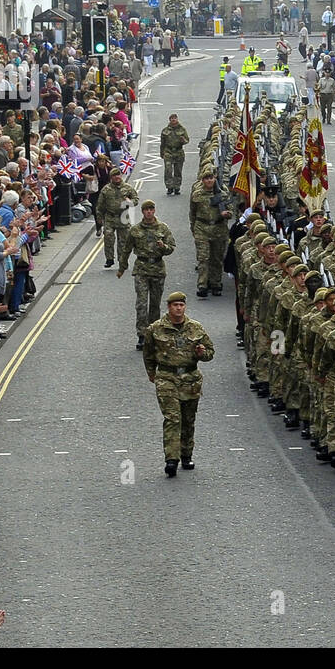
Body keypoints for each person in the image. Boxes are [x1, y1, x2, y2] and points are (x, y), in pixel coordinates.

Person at [144, 292, 215, 477]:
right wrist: (152, 374)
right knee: (172, 418)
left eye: (181, 305)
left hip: (190, 378)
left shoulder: (195, 328)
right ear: (168, 307)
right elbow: (148, 353)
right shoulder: (156, 329)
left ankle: (186, 454)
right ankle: (171, 459)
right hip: (167, 377)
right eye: (175, 305)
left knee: (188, 419)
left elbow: (210, 353)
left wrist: (201, 353)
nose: (178, 308)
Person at [118, 200, 175, 350]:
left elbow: (172, 248)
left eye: (151, 209)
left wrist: (164, 247)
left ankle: (153, 334)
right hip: (141, 269)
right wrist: (122, 267)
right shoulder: (135, 230)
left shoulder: (163, 228)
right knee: (141, 304)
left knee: (155, 304)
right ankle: (142, 335)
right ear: (142, 212)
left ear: (154, 211)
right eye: (146, 210)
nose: (149, 212)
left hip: (157, 268)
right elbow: (127, 249)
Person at [189, 169, 231, 297]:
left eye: (211, 178)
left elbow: (230, 210)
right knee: (203, 258)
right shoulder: (197, 195)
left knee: (217, 258)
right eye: (206, 178)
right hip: (202, 228)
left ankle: (216, 283)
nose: (209, 180)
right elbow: (193, 213)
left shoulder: (222, 195)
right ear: (202, 180)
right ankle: (202, 285)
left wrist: (227, 214)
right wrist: (194, 228)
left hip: (219, 229)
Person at [97, 168, 138, 269]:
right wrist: (99, 217)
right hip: (110, 217)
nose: (117, 177)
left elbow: (136, 200)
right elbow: (100, 204)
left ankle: (122, 260)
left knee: (123, 241)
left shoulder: (127, 188)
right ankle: (109, 259)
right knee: (108, 238)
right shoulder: (106, 189)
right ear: (111, 177)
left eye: (118, 175)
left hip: (123, 216)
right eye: (114, 175)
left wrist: (130, 201)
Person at [160, 113, 189, 196]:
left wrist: (183, 140)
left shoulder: (182, 129)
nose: (173, 120)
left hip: (178, 151)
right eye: (172, 118)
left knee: (178, 170)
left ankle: (177, 187)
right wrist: (162, 153)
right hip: (168, 152)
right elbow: (162, 143)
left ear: (177, 119)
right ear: (169, 120)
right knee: (168, 170)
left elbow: (187, 140)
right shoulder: (165, 130)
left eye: (175, 118)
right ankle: (169, 187)